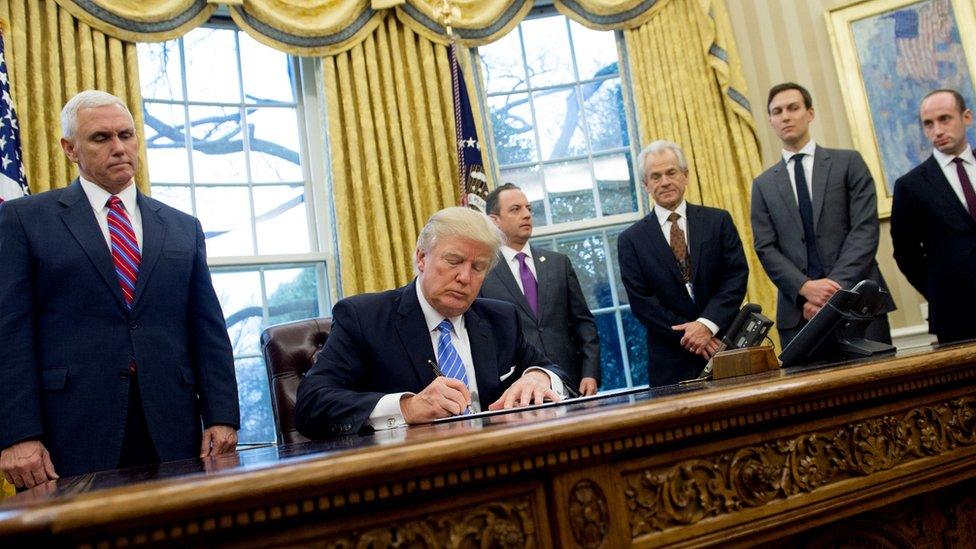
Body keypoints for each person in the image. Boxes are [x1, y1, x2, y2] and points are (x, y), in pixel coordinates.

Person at [0, 90, 239, 489]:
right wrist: (16, 434)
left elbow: (208, 329)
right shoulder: (24, 221)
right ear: (70, 148)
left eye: (126, 135)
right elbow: (8, 333)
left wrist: (222, 416)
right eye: (101, 138)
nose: (118, 148)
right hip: (70, 432)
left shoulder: (182, 226)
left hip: (174, 428)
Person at [294, 207, 571, 438]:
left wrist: (539, 376)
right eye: (454, 261)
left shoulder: (501, 319)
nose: (464, 277)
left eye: (478, 268)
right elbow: (311, 404)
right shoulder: (364, 317)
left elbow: (555, 370)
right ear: (422, 258)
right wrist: (406, 408)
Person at [751, 82, 894, 348]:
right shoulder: (762, 186)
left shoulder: (849, 163)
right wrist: (805, 288)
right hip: (799, 314)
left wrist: (832, 291)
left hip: (860, 302)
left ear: (810, 113)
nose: (786, 116)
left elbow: (864, 230)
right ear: (770, 120)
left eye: (793, 108)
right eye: (777, 111)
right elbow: (765, 248)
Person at [617, 141, 748, 387]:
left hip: (724, 349)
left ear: (685, 176)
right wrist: (694, 334)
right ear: (645, 185)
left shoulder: (718, 221)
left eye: (671, 172)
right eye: (655, 176)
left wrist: (707, 325)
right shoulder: (630, 240)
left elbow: (735, 278)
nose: (664, 181)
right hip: (671, 361)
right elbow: (642, 303)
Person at [480, 183, 601, 396]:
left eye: (528, 208)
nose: (526, 215)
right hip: (516, 391)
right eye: (515, 209)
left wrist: (590, 372)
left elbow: (584, 323)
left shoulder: (558, 263)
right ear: (494, 221)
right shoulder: (484, 274)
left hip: (569, 382)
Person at [891, 89, 976, 344]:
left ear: (967, 117)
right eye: (928, 124)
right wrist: (940, 293)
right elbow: (906, 254)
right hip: (957, 315)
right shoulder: (911, 185)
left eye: (945, 119)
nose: (937, 130)